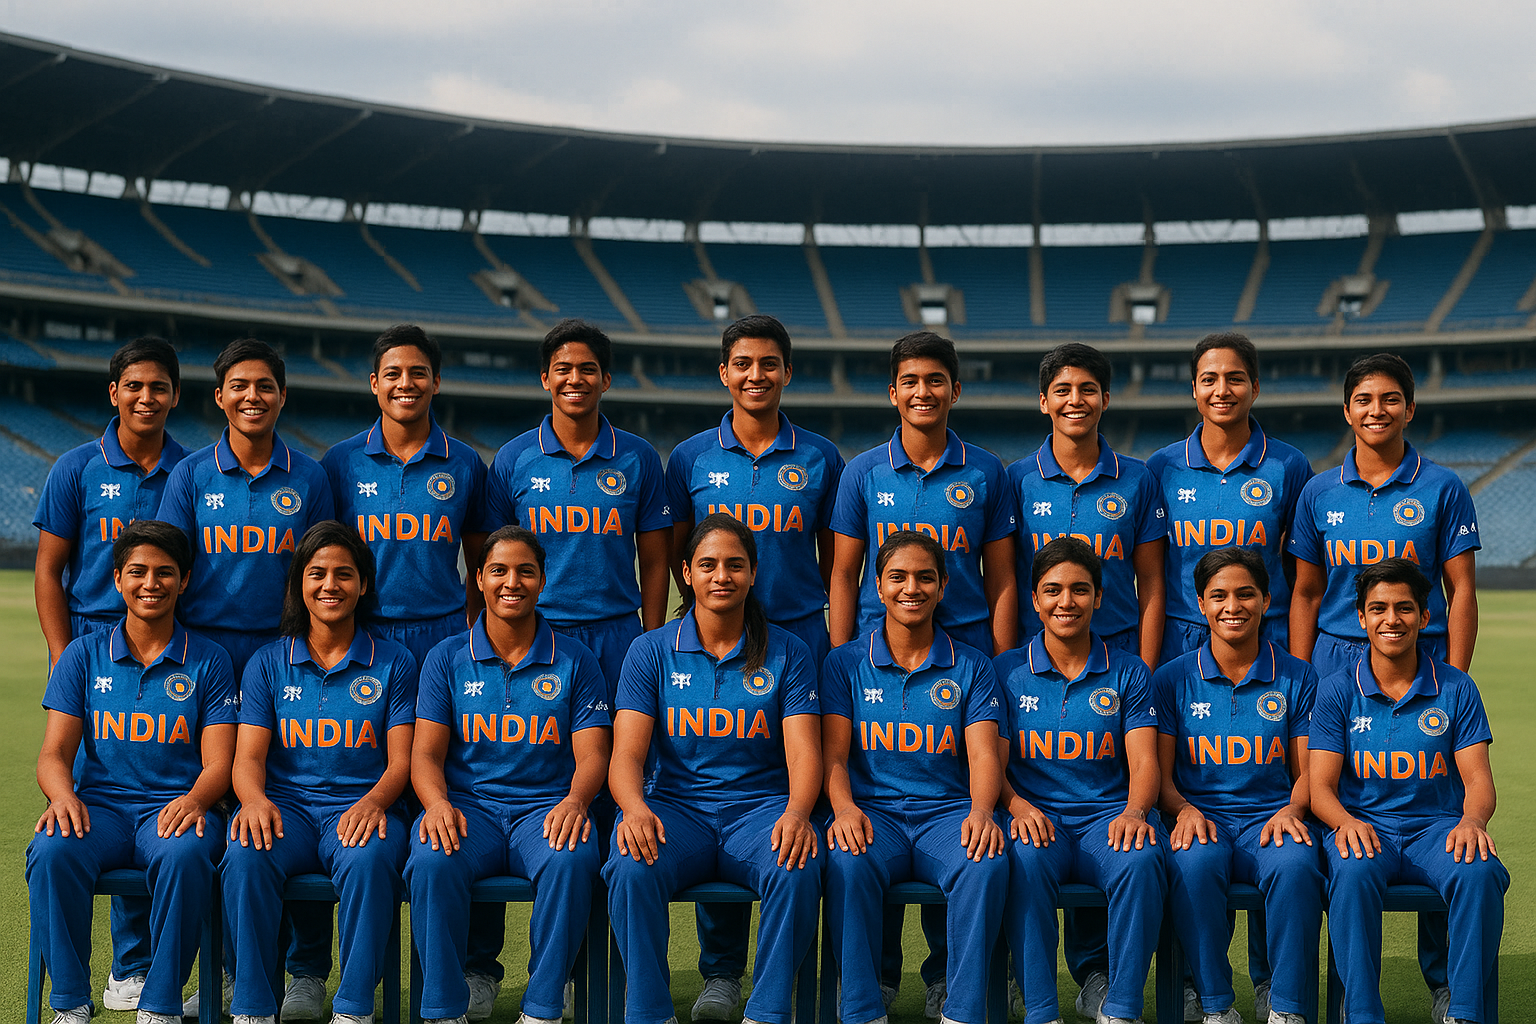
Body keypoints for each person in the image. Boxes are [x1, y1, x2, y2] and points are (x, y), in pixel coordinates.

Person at [828, 332, 1016, 1014]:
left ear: (954, 390)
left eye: (935, 380)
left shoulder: (987, 471)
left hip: (965, 659)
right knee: (866, 821)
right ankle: (875, 979)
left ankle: (947, 979)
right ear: (893, 392)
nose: (922, 391)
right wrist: (845, 658)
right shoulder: (862, 472)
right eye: (909, 380)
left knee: (963, 814)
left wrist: (1000, 664)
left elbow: (1001, 578)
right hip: (879, 655)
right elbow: (844, 573)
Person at [664, 314, 844, 1018]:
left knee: (800, 809)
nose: (756, 375)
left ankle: (813, 971)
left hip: (799, 644)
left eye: (769, 363)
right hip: (717, 644)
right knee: (717, 783)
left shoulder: (822, 456)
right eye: (743, 363)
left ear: (787, 372)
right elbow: (680, 553)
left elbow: (836, 563)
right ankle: (720, 972)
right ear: (724, 373)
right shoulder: (688, 458)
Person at [321, 324, 503, 1020]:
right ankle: (314, 968)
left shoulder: (466, 464)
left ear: (436, 381)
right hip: (362, 647)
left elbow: (483, 565)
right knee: (350, 797)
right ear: (374, 383)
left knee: (460, 799)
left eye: (418, 372)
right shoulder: (340, 463)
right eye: (393, 373)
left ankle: (473, 966)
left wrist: (471, 642)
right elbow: (323, 559)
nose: (406, 383)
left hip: (443, 643)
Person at [1289, 353, 1479, 1010]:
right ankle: (1348, 991)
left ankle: (1446, 981)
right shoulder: (1319, 491)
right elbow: (1306, 592)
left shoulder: (1443, 486)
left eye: (1391, 398)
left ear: (1410, 408)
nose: (1377, 410)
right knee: (1338, 819)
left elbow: (1460, 590)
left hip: (1419, 659)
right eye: (1365, 400)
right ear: (1347, 411)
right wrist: (1303, 680)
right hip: (1335, 665)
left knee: (1437, 808)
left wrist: (1454, 676)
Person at [605, 513, 823, 1024]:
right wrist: (633, 809)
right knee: (630, 861)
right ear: (686, 573)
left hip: (760, 812)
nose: (721, 576)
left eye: (734, 565)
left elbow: (804, 754)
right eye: (707, 565)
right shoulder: (650, 650)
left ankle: (767, 1012)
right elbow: (627, 755)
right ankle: (650, 1012)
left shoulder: (788, 651)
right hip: (677, 810)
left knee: (798, 862)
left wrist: (797, 813)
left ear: (753, 572)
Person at [31, 336, 190, 1010]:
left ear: (175, 396)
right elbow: (49, 570)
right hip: (94, 645)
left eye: (158, 387)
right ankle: (121, 969)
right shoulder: (76, 467)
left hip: (168, 638)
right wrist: (64, 653)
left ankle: (144, 965)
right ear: (113, 393)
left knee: (163, 793)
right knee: (94, 800)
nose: (145, 398)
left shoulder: (189, 469)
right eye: (134, 386)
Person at [26, 519, 237, 1024]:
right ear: (117, 578)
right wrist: (63, 797)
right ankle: (71, 1003)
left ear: (184, 581)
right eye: (138, 571)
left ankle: (161, 1005)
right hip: (100, 811)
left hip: (174, 809)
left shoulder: (210, 660)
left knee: (186, 854)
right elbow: (54, 753)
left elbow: (220, 763)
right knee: (52, 849)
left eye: (165, 573)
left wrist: (196, 800)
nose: (151, 583)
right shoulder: (82, 654)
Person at [1008, 343, 1166, 1012]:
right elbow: (1004, 580)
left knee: (1121, 823)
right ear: (1044, 401)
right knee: (1033, 827)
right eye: (1063, 389)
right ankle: (1031, 981)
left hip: (1117, 662)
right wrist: (1008, 666)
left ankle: (1100, 976)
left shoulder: (1138, 479)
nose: (1076, 400)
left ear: (1106, 398)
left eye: (1088, 389)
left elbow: (1153, 582)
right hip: (1036, 663)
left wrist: (1145, 670)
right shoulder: (1015, 478)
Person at [407, 525, 611, 1024]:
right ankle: (443, 1009)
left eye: (526, 571)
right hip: (468, 810)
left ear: (543, 579)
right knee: (431, 858)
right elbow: (425, 755)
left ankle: (543, 1007)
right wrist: (437, 804)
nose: (512, 582)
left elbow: (593, 755)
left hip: (545, 810)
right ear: (478, 578)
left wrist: (575, 802)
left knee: (572, 856)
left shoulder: (576, 659)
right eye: (498, 570)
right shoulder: (446, 657)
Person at [222, 522, 417, 1024]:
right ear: (298, 584)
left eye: (344, 574)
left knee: (370, 859)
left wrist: (374, 803)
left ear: (364, 584)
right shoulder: (267, 662)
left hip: (361, 806)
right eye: (317, 574)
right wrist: (254, 801)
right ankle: (252, 1007)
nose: (330, 585)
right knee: (245, 853)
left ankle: (353, 1008)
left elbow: (402, 761)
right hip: (285, 809)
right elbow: (247, 759)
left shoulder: (394, 662)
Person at [1309, 559, 1505, 1024]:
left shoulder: (1457, 687)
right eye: (1378, 609)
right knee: (1352, 873)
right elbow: (1319, 788)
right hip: (1364, 828)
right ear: (1361, 617)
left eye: (1404, 608)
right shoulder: (1336, 690)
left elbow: (1479, 779)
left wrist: (1472, 820)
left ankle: (1463, 1011)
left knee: (1480, 872)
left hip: (1436, 830)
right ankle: (1361, 1013)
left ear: (1425, 616)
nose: (1391, 619)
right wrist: (1345, 822)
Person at [822, 530, 1007, 1024]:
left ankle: (961, 1011)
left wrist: (982, 811)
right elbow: (832, 757)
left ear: (943, 586)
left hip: (946, 815)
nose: (911, 588)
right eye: (898, 577)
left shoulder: (972, 664)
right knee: (845, 859)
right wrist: (844, 809)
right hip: (873, 813)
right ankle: (862, 1010)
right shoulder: (844, 663)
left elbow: (983, 755)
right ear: (878, 587)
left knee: (985, 860)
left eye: (925, 578)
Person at [994, 536, 1166, 1024]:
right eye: (1052, 590)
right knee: (1023, 860)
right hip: (1035, 817)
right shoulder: (1005, 671)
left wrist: (1135, 811)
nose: (1065, 602)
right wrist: (1016, 805)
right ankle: (1041, 1010)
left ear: (1099, 596)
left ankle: (1121, 1008)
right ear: (1034, 599)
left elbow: (1144, 762)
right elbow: (990, 763)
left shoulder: (1129, 671)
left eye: (1080, 589)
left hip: (1106, 819)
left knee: (1142, 857)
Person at [1153, 547, 1323, 1024]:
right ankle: (1215, 1005)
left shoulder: (1298, 676)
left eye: (1246, 594)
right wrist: (1184, 809)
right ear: (1200, 603)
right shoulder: (1171, 679)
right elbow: (1160, 777)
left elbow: (1308, 772)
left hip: (1272, 818)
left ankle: (1286, 1007)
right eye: (1219, 596)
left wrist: (1293, 810)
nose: (1233, 607)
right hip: (1200, 818)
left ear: (1267, 600)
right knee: (1193, 864)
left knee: (1296, 865)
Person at [485, 318, 672, 696]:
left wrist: (651, 643)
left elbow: (655, 562)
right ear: (545, 379)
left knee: (621, 735)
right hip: (537, 632)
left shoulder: (639, 457)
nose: (575, 379)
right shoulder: (512, 458)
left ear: (605, 380)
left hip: (617, 635)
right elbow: (491, 561)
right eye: (563, 369)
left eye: (588, 369)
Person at [158, 337, 337, 679]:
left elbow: (322, 569)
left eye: (265, 387)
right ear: (219, 396)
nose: (252, 396)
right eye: (239, 386)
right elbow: (169, 565)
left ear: (282, 396)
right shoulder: (190, 474)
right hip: (201, 646)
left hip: (284, 648)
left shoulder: (311, 477)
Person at [1146, 332, 1313, 662]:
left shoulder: (1289, 465)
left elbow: (1303, 577)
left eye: (1235, 379)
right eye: (1209, 380)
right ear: (1194, 389)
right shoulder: (1161, 466)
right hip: (1183, 639)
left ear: (1255, 387)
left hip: (1266, 635)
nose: (1221, 391)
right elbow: (1151, 571)